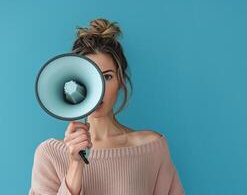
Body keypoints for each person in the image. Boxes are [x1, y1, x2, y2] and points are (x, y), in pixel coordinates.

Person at [29, 18, 185, 195]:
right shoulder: (50, 154)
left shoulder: (152, 148)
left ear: (121, 81)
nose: (98, 89)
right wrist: (75, 165)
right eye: (89, 76)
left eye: (107, 77)